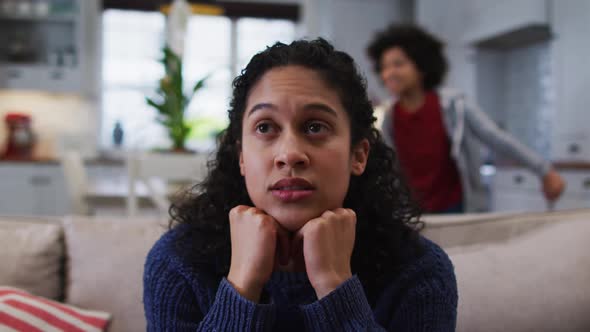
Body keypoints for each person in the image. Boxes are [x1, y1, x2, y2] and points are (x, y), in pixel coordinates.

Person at [143, 39, 458, 331]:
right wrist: (241, 287)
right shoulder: (179, 261)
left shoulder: (418, 271)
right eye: (265, 127)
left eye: (315, 126)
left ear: (358, 155)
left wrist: (335, 287)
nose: (289, 154)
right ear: (241, 156)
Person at [367, 24, 566, 213]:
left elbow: (495, 137)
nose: (388, 73)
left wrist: (544, 170)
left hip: (455, 210)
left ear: (422, 67)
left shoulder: (454, 105)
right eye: (384, 67)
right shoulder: (390, 118)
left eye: (398, 64)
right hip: (412, 214)